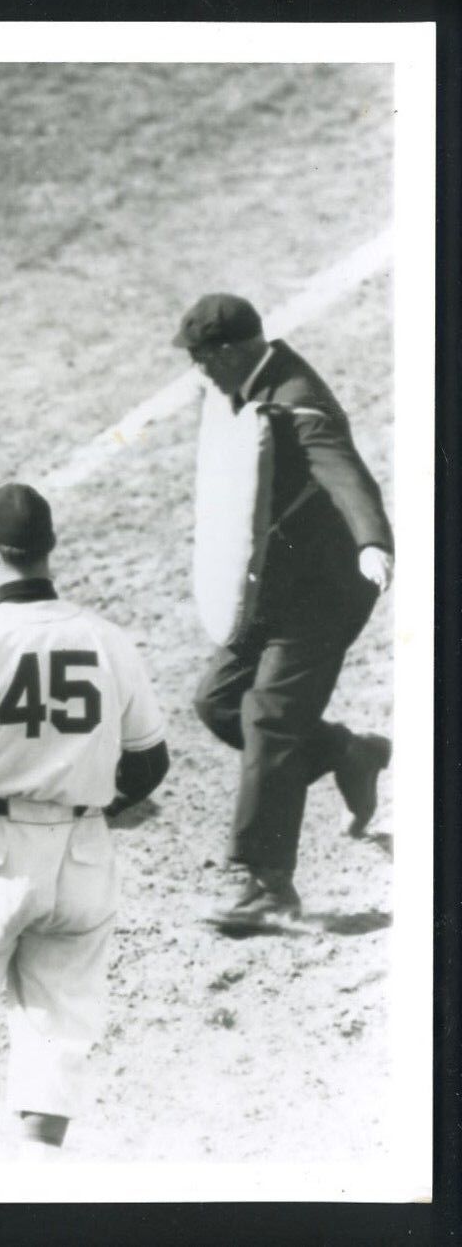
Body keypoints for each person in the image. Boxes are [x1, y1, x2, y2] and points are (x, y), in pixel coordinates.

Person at [0, 484, 169, 1154]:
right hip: (82, 855)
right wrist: (97, 806)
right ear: (50, 548)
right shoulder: (107, 639)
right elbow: (150, 761)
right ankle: (34, 1187)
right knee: (59, 1029)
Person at [174, 293, 394, 932]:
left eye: (203, 358)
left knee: (269, 717)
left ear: (233, 350)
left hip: (324, 595)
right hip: (268, 588)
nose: (199, 372)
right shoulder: (246, 384)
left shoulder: (298, 396)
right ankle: (347, 753)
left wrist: (373, 540)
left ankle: (267, 882)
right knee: (219, 703)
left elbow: (344, 472)